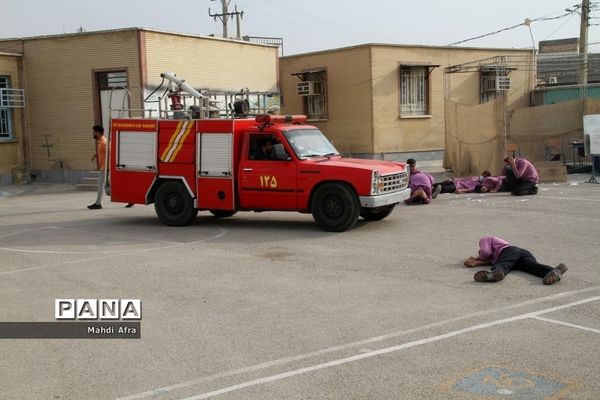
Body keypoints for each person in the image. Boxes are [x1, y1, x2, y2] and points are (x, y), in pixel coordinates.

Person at [464, 236, 567, 285]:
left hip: (510, 250)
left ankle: (495, 274)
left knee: (502, 265)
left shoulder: (486, 239)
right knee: (533, 267)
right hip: (521, 256)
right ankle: (554, 271)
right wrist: (477, 263)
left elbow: (485, 252)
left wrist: (478, 258)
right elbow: (492, 259)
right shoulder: (496, 257)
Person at [88, 125, 106, 210]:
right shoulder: (101, 142)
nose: (93, 134)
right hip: (105, 168)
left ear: (98, 133)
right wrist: (96, 155)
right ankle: (131, 200)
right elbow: (104, 153)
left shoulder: (104, 143)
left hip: (105, 168)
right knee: (113, 186)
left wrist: (106, 167)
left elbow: (111, 153)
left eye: (94, 132)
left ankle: (98, 204)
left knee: (100, 185)